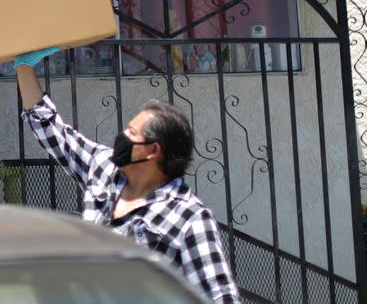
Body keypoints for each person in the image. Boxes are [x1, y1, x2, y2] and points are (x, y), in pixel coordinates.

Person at [14, 48, 241, 303]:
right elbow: (52, 130)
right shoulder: (104, 169)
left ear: (153, 150)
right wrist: (24, 64)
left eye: (131, 133)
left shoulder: (190, 219)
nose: (122, 137)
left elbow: (221, 298)